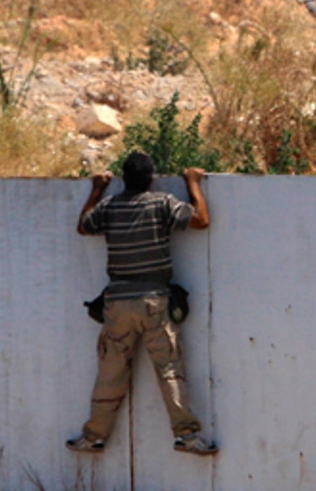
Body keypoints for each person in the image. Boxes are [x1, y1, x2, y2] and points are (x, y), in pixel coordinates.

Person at [68, 153, 218, 456]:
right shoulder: (161, 203)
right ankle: (186, 436)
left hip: (117, 304)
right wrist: (192, 182)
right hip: (154, 302)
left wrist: (97, 188)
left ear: (124, 178)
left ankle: (93, 437)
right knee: (169, 371)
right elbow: (201, 220)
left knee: (111, 372)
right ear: (151, 179)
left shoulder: (110, 207)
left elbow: (84, 226)